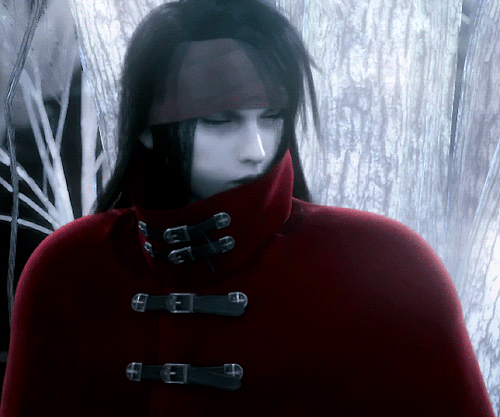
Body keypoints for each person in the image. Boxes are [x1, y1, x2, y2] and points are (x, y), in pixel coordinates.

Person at [1, 0, 495, 415]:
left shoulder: (388, 264)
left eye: (272, 117)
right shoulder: (68, 270)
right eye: (221, 121)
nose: (256, 150)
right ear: (148, 129)